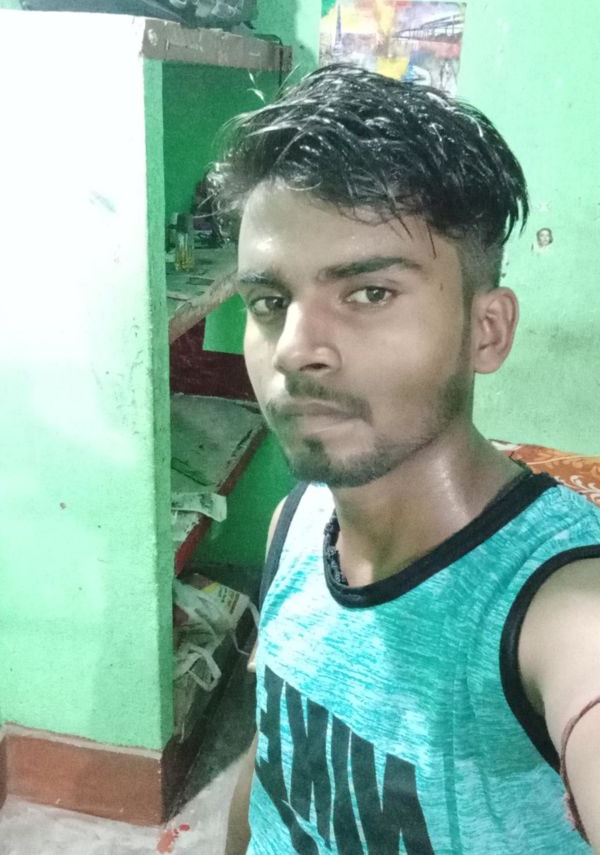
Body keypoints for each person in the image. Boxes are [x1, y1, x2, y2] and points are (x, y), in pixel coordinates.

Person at [209, 64, 600, 854]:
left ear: (487, 330)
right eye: (270, 302)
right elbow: (276, 761)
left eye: (369, 293)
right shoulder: (297, 522)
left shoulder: (553, 606)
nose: (294, 349)